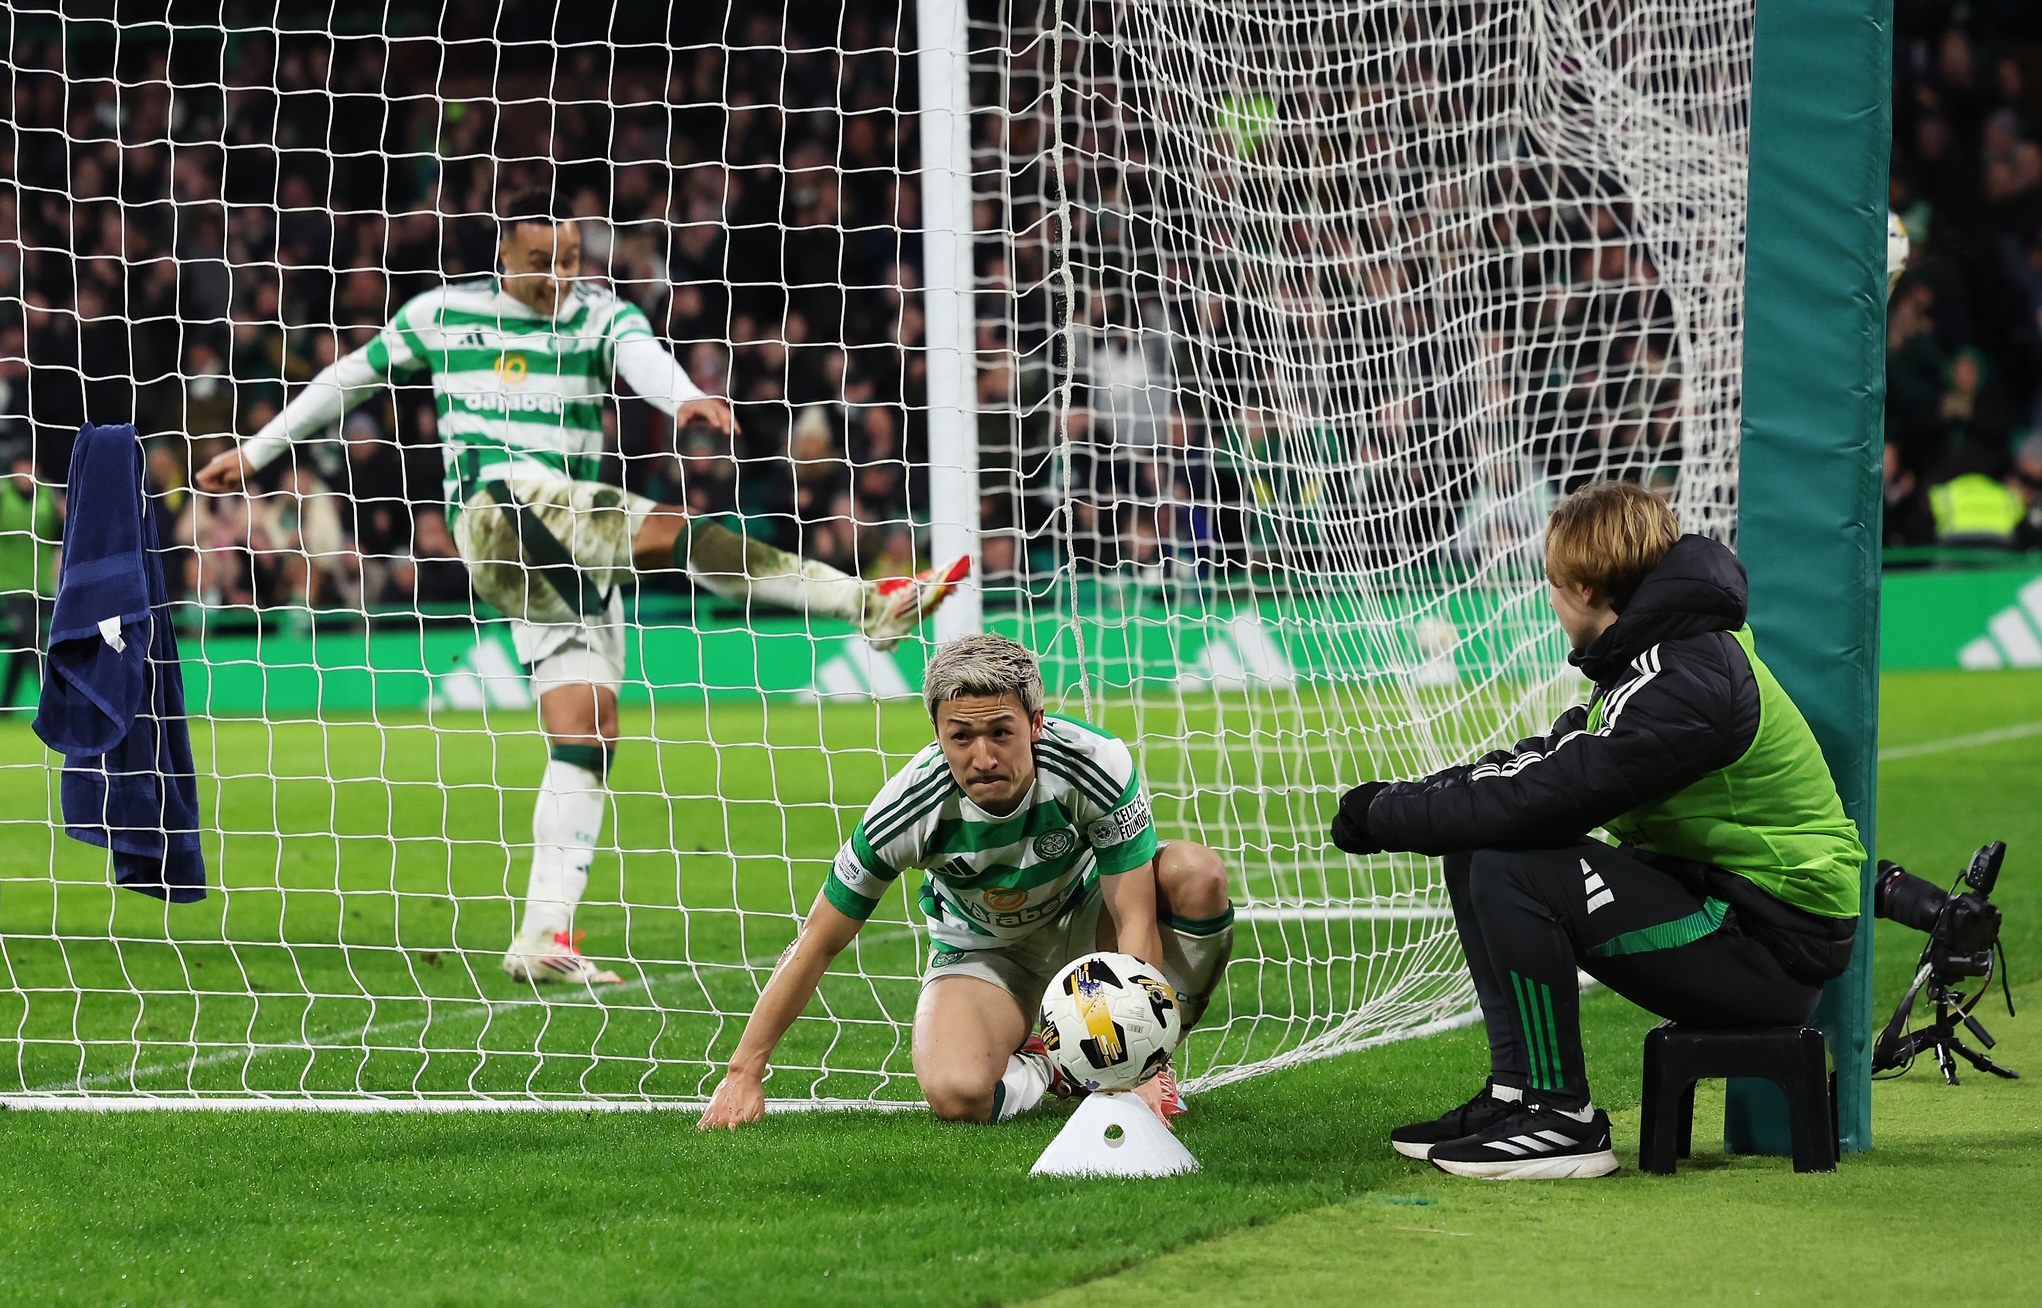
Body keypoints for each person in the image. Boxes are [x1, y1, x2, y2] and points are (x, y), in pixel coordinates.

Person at [194, 190, 968, 986]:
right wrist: (255, 454)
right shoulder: (444, 315)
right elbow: (347, 379)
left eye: (568, 260)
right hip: (498, 509)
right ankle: (865, 603)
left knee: (589, 730)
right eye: (541, 263)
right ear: (503, 255)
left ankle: (542, 936)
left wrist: (685, 399)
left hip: (566, 550)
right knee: (671, 532)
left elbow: (643, 357)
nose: (558, 277)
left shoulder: (598, 314)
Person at [1331, 481, 1863, 1180]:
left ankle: (1562, 1118)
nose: (1550, 602)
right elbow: (1539, 763)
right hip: (1734, 909)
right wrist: (1405, 800)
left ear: (1584, 589)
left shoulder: (1688, 680)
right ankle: (1518, 1094)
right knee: (1475, 844)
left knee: (1512, 864)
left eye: (1553, 585)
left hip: (1771, 945)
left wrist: (1384, 816)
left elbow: (1550, 796)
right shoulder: (1660, 663)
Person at [699, 633, 1235, 1128]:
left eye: (1001, 732)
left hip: (1087, 924)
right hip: (985, 949)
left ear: (1036, 724)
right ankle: (1054, 1066)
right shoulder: (907, 809)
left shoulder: (1094, 763)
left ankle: (1157, 1062)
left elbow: (1135, 919)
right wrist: (744, 1071)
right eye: (961, 737)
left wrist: (1137, 1069)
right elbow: (817, 940)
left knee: (1195, 874)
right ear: (938, 735)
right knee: (958, 1095)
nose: (983, 758)